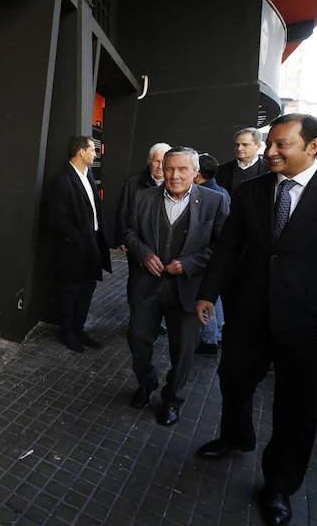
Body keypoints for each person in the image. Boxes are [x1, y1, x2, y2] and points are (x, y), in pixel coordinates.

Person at [194, 114, 317, 526]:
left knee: (297, 409)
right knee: (233, 380)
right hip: (249, 316)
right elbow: (228, 248)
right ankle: (236, 436)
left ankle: (280, 484)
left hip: (313, 324)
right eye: (270, 144)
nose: (271, 152)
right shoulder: (250, 192)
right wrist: (207, 293)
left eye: (282, 145)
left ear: (314, 146)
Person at [124, 147, 229, 426]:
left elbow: (224, 247)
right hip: (148, 286)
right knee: (138, 341)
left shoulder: (214, 202)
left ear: (195, 172)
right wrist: (143, 254)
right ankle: (146, 384)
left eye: (183, 169)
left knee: (182, 352)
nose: (174, 175)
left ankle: (172, 399)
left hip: (188, 289)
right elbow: (130, 232)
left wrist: (189, 263)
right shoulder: (143, 197)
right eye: (169, 168)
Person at [47, 135, 111, 352]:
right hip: (73, 248)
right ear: (81, 152)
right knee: (71, 291)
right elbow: (57, 218)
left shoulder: (88, 174)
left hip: (92, 243)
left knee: (88, 288)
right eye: (93, 150)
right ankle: (68, 334)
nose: (95, 154)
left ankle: (79, 330)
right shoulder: (63, 180)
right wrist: (77, 239)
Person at [192, 154, 229, 356]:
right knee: (215, 297)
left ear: (197, 173)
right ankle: (216, 335)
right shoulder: (222, 191)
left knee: (206, 297)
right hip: (216, 258)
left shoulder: (206, 197)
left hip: (205, 258)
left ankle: (208, 340)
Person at [114, 143, 170, 252]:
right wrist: (121, 239)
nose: (160, 166)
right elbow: (123, 211)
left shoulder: (175, 183)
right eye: (156, 161)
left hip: (164, 244)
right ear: (149, 161)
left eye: (163, 162)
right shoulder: (133, 182)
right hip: (138, 242)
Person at [215, 127, 269, 197]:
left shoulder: (269, 169)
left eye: (245, 144)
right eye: (237, 144)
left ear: (258, 146)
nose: (239, 148)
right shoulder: (221, 170)